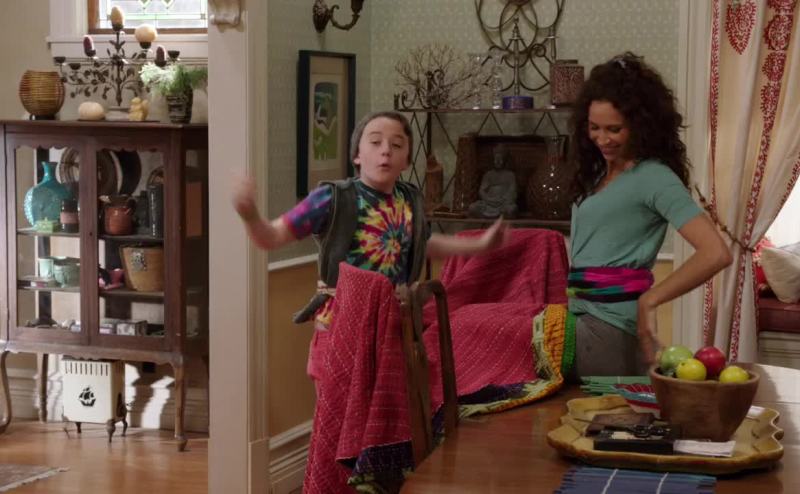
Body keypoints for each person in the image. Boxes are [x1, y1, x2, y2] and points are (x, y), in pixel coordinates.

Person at [232, 110, 507, 384]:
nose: (385, 150)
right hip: (339, 326)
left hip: (395, 327)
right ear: (357, 155)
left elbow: (423, 245)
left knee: (391, 410)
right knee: (338, 410)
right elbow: (270, 237)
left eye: (396, 144)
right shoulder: (331, 198)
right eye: (375, 142)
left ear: (406, 160)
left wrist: (480, 245)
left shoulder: (410, 200)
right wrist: (249, 214)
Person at [566, 52, 732, 377]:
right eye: (594, 128)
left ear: (640, 125)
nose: (602, 139)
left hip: (611, 327)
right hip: (578, 317)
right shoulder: (597, 173)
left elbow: (716, 253)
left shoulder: (654, 177)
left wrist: (650, 300)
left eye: (614, 129)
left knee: (497, 332)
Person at [468, 143, 519, 219]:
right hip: (488, 204)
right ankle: (489, 216)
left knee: (511, 209)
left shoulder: (510, 175)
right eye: (496, 159)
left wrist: (502, 200)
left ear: (505, 160)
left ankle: (500, 215)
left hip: (503, 204)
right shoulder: (488, 174)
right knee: (472, 208)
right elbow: (481, 191)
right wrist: (488, 199)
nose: (498, 162)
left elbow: (512, 192)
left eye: (500, 159)